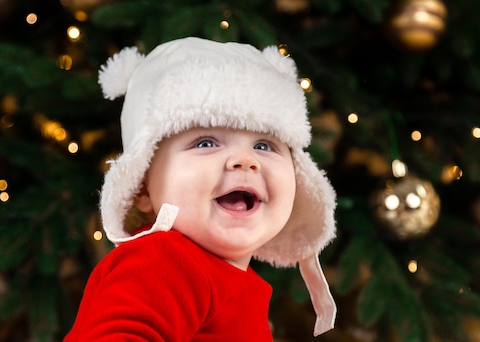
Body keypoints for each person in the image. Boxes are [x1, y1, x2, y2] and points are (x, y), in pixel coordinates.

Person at [64, 37, 337, 341]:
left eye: (265, 145)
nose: (245, 160)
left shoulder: (232, 280)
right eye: (206, 143)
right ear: (142, 188)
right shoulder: (163, 261)